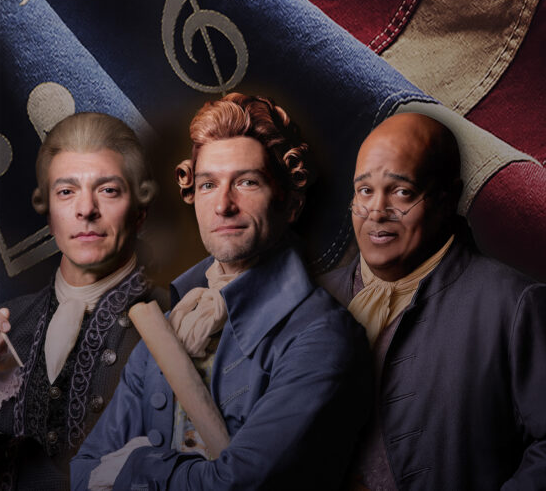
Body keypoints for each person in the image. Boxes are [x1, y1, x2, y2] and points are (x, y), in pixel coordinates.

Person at [70, 93, 371, 490]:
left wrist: (134, 464)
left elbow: (239, 483)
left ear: (291, 204)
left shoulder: (321, 336)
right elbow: (83, 473)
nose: (223, 205)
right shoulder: (168, 327)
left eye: (247, 182)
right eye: (209, 184)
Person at [320, 112, 546, 490]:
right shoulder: (309, 300)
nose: (376, 210)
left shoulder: (519, 307)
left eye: (402, 191)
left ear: (448, 198)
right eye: (364, 190)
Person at [0, 112, 161, 490]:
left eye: (108, 190)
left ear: (140, 212)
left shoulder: (182, 318)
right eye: (66, 192)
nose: (86, 209)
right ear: (49, 214)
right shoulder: (7, 322)